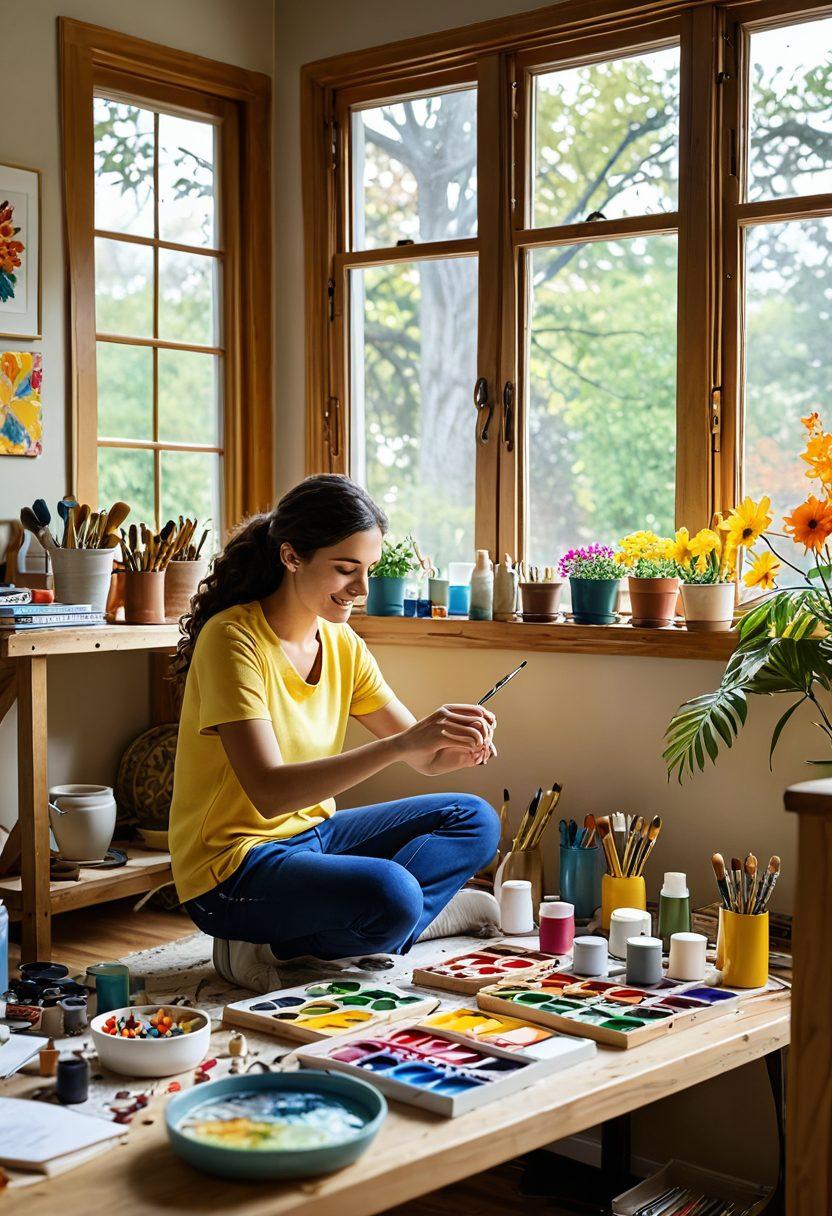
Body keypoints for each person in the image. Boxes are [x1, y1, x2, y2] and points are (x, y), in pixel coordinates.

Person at [168, 474, 500, 991]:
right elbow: (270, 791)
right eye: (345, 570)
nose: (362, 590)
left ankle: (393, 921)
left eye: (368, 570)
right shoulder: (232, 641)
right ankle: (296, 938)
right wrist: (402, 746)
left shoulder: (341, 643)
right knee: (391, 894)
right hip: (231, 870)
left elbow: (422, 757)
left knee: (474, 818)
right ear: (292, 557)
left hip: (313, 840)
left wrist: (449, 747)